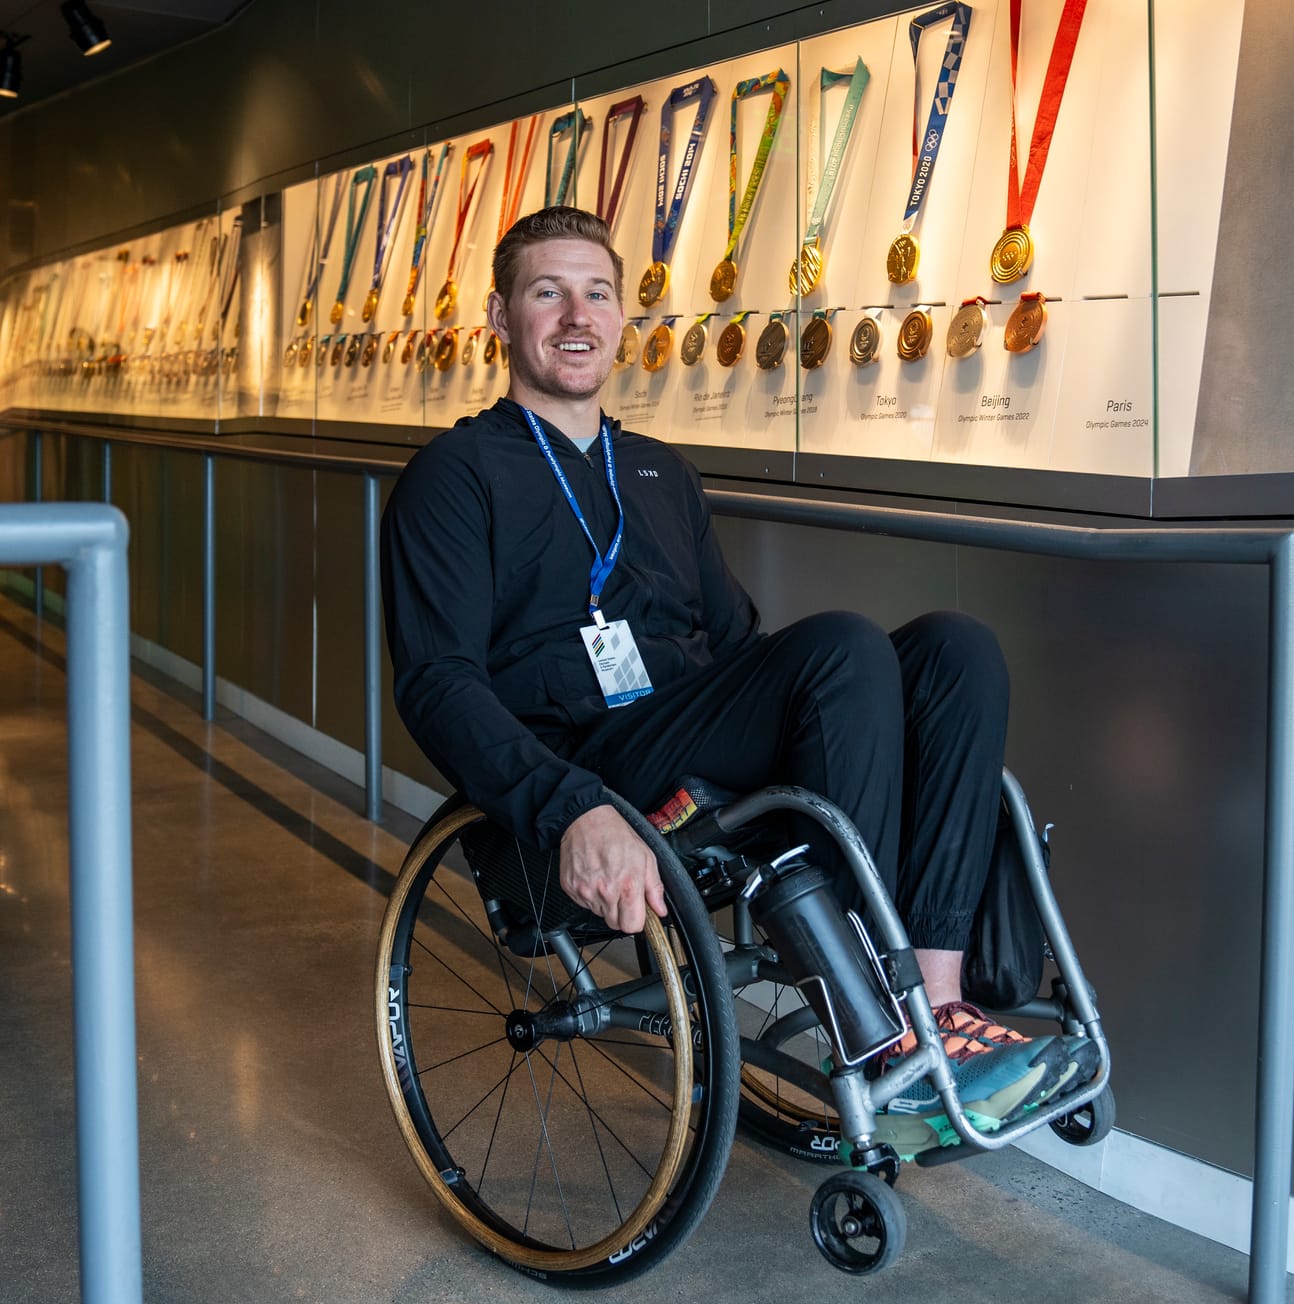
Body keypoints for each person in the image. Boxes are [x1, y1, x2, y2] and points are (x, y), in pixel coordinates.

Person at [380, 206, 1087, 1156]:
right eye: (547, 292)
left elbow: (738, 645)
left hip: (687, 723)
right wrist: (568, 805)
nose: (575, 315)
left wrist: (811, 709)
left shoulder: (659, 473)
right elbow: (436, 681)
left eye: (597, 293)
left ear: (623, 318)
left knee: (957, 648)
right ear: (502, 319)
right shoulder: (454, 476)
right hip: (590, 757)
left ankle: (938, 996)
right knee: (840, 646)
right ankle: (876, 1020)